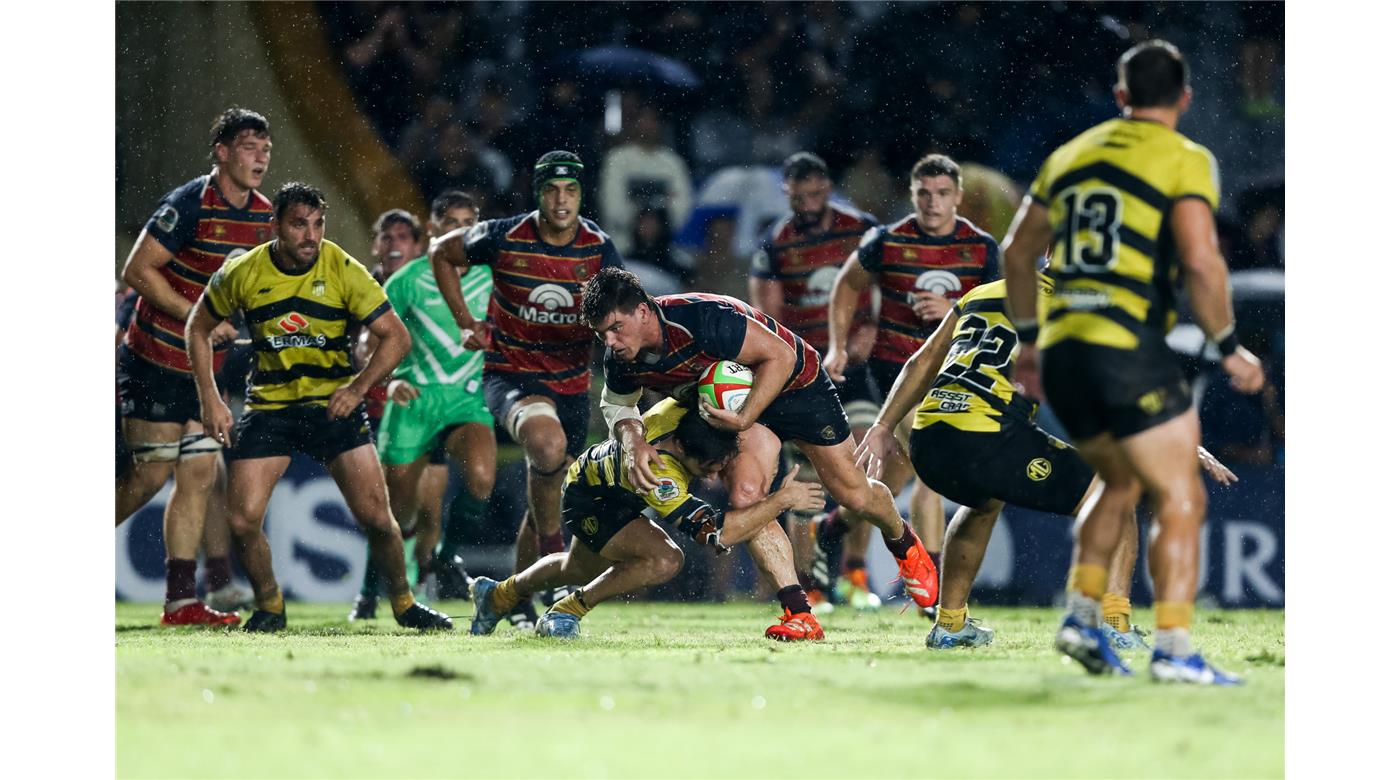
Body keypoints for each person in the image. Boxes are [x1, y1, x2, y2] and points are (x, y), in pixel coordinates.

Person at [1001, 40, 1265, 684]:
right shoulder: (1184, 157)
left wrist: (1031, 341)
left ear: (1119, 97)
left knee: (1116, 482)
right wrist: (1229, 345)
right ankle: (1174, 651)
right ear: (1184, 98)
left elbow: (1014, 252)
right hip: (1125, 343)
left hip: (1064, 348)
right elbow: (1202, 261)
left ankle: (1081, 617)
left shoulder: (1071, 154)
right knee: (1180, 495)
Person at [855, 273, 1239, 650]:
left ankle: (950, 626)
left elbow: (920, 363)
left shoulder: (984, 291)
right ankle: (1113, 625)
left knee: (985, 501)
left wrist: (883, 425)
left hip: (930, 435)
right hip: (986, 433)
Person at [581, 267, 941, 640]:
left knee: (853, 493)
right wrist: (633, 440)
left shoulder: (703, 318)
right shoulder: (621, 359)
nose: (609, 342)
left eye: (615, 328)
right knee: (746, 497)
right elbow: (618, 405)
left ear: (643, 312)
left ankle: (904, 543)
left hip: (798, 385)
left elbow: (781, 357)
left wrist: (744, 417)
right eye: (601, 334)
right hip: (745, 413)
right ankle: (800, 613)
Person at [187, 182, 452, 633]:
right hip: (270, 408)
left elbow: (397, 338)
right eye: (299, 225)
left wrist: (357, 387)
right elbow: (197, 327)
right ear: (275, 226)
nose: (311, 235)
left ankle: (405, 605)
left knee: (379, 520)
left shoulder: (343, 268)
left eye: (318, 224)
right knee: (243, 519)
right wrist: (210, 399)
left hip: (333, 407)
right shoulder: (243, 272)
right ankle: (271, 606)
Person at [429, 150, 624, 627]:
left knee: (547, 491)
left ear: (582, 195)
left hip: (572, 386)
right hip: (510, 374)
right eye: (551, 190)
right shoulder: (503, 235)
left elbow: (621, 307)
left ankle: (508, 598)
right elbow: (441, 252)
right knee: (547, 445)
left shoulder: (598, 247)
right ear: (537, 193)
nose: (561, 200)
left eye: (571, 191)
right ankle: (558, 569)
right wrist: (464, 321)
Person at [470, 400, 826, 639]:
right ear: (684, 450)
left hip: (597, 479)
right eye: (709, 468)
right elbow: (716, 535)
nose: (715, 477)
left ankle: (497, 594)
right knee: (665, 559)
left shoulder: (679, 412)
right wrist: (781, 500)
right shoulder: (662, 476)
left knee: (575, 568)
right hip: (593, 500)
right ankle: (567, 611)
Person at [116, 107, 274, 627]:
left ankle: (182, 602)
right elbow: (136, 270)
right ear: (222, 152)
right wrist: (198, 320)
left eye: (266, 147)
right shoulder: (188, 204)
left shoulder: (263, 216)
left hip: (204, 370)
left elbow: (254, 290)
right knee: (147, 477)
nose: (262, 155)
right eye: (250, 145)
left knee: (200, 474)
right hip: (153, 358)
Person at [825, 153, 1002, 614]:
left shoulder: (982, 248)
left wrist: (954, 312)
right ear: (912, 194)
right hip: (894, 377)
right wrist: (838, 346)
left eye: (942, 194)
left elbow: (1003, 311)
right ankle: (932, 588)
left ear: (958, 197)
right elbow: (847, 283)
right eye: (924, 193)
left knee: (888, 480)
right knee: (929, 473)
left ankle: (834, 530)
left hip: (954, 375)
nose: (932, 203)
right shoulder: (888, 241)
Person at [351, 192, 497, 620]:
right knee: (396, 512)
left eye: (468, 222)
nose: (459, 231)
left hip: (466, 401)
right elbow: (367, 341)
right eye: (450, 221)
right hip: (413, 403)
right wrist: (390, 378)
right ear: (432, 228)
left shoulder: (491, 276)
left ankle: (448, 558)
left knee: (482, 478)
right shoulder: (408, 280)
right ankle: (367, 591)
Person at [748, 152, 881, 607]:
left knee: (863, 463)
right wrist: (792, 364)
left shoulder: (861, 229)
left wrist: (871, 329)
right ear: (787, 193)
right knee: (803, 481)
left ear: (828, 187)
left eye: (813, 194)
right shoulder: (775, 242)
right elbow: (766, 319)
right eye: (797, 196)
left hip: (854, 367)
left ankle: (855, 573)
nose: (806, 203)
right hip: (802, 374)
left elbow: (883, 286)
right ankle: (810, 585)